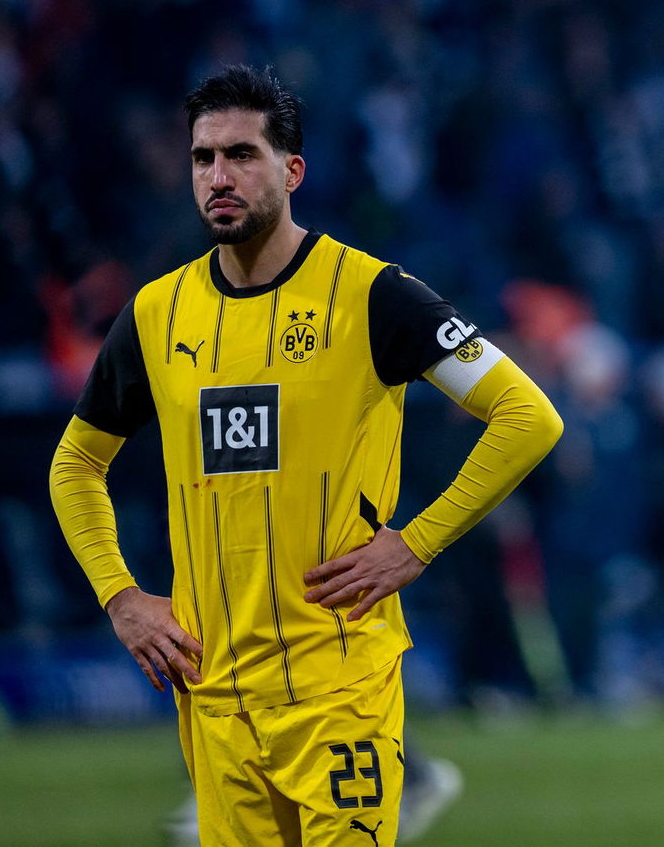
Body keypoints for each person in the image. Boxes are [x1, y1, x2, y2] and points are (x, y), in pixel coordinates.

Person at [49, 64, 563, 847]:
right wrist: (121, 596)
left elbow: (528, 415)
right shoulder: (156, 314)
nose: (218, 176)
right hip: (215, 698)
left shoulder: (375, 294)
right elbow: (75, 465)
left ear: (291, 170)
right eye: (202, 158)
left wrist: (416, 543)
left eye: (241, 155)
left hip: (339, 684)